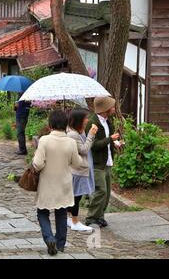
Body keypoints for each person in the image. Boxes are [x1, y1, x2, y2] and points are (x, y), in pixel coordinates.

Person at [32, 110, 82, 255]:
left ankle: (49, 238)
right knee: (61, 213)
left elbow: (38, 164)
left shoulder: (45, 140)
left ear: (50, 124)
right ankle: (60, 244)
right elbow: (77, 163)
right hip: (64, 184)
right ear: (66, 124)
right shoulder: (71, 142)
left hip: (47, 183)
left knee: (42, 212)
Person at [85, 97, 120, 228]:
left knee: (107, 193)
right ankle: (91, 218)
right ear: (106, 109)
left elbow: (106, 141)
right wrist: (110, 139)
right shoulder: (92, 123)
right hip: (97, 163)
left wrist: (115, 143)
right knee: (101, 191)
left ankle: (100, 216)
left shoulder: (107, 122)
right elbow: (93, 145)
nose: (114, 109)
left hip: (107, 162)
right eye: (112, 106)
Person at [67, 108, 98, 232]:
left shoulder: (79, 132)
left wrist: (87, 134)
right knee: (76, 196)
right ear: (79, 120)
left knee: (75, 196)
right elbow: (84, 149)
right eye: (85, 118)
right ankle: (75, 221)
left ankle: (70, 219)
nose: (87, 120)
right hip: (77, 170)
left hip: (81, 168)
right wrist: (91, 135)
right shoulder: (72, 134)